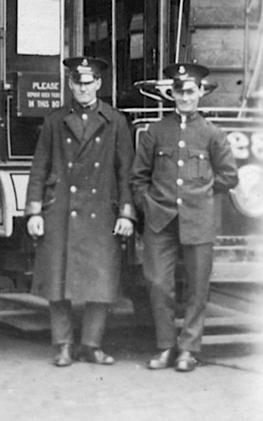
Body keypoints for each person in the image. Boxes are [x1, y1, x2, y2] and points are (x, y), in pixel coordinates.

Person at [25, 57, 135, 367]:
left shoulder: (116, 121)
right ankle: (63, 345)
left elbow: (125, 171)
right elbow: (39, 167)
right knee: (59, 280)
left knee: (100, 281)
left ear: (99, 84)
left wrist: (127, 213)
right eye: (77, 83)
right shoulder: (55, 120)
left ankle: (91, 345)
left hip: (102, 209)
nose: (83, 88)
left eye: (89, 82)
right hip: (60, 207)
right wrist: (34, 211)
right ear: (70, 85)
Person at [130, 63, 238, 373]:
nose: (185, 97)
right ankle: (166, 347)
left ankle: (188, 350)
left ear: (201, 92)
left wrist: (200, 194)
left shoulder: (213, 134)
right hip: (160, 220)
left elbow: (228, 177)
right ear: (171, 94)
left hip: (198, 221)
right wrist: (148, 205)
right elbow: (139, 177)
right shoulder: (155, 131)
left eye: (191, 91)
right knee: (158, 284)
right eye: (179, 91)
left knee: (197, 288)